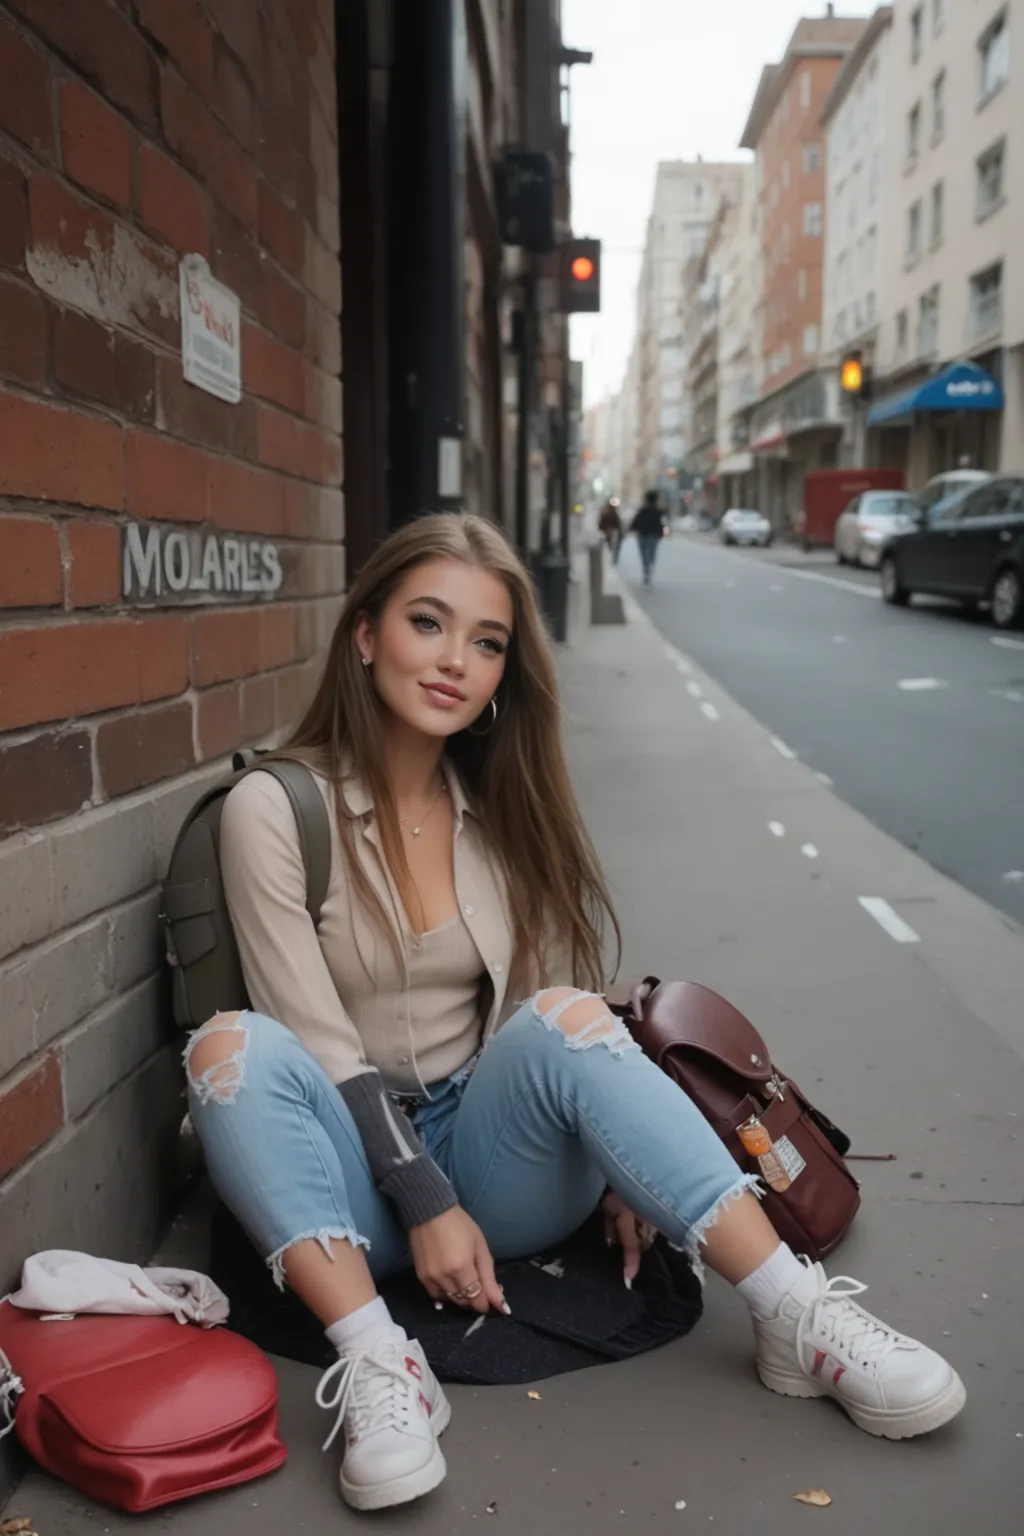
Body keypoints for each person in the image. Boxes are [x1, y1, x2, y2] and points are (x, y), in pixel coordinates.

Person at [184, 514, 965, 1514]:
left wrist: (616, 1160)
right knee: (228, 1048)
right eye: (428, 623)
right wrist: (423, 1199)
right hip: (346, 1177)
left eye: (486, 641)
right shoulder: (276, 807)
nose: (454, 660)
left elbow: (548, 1015)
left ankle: (795, 1316)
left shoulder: (503, 810)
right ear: (365, 634)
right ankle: (383, 1366)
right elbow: (318, 1033)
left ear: (504, 672)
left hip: (491, 1151)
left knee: (567, 1012)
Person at [631, 490, 669, 584]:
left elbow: (636, 521)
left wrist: (632, 529)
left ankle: (647, 568)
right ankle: (649, 566)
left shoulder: (643, 510)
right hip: (653, 535)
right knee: (651, 551)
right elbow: (663, 522)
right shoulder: (658, 511)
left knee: (644, 552)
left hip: (643, 534)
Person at [598, 496, 623, 564]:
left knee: (610, 546)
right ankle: (612, 560)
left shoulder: (606, 513)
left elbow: (601, 523)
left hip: (608, 531)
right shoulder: (613, 514)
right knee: (612, 546)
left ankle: (611, 559)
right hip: (611, 531)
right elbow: (618, 524)